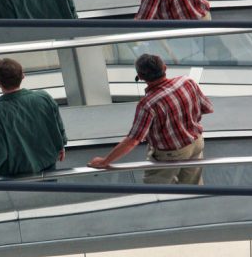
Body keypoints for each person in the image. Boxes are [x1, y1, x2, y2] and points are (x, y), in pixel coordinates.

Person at [88, 53, 214, 185]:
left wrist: (105, 161)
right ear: (165, 68)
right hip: (196, 142)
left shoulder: (147, 104)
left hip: (171, 153)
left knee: (155, 187)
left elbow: (132, 140)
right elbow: (206, 107)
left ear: (141, 77)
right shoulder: (187, 82)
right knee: (193, 185)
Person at [0, 58, 67, 180]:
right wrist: (61, 145)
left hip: (16, 175)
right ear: (23, 76)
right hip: (48, 162)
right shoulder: (44, 98)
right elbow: (57, 126)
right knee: (50, 193)